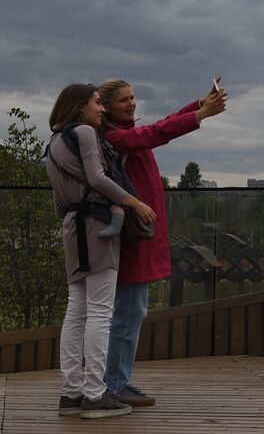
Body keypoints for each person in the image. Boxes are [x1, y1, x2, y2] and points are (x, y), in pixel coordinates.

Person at [97, 78, 227, 406]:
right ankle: (113, 384)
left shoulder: (123, 134)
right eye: (124, 100)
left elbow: (159, 125)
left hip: (139, 236)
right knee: (128, 312)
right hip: (133, 239)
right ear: (107, 106)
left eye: (133, 97)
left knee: (131, 310)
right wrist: (199, 116)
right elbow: (155, 133)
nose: (132, 103)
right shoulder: (114, 138)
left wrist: (198, 105)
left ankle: (116, 381)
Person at [43, 83, 156, 419]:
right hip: (96, 228)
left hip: (72, 227)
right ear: (79, 107)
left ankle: (71, 393)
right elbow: (96, 177)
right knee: (101, 313)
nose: (102, 109)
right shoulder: (86, 134)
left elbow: (59, 202)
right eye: (96, 103)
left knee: (75, 311)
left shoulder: (54, 142)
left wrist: (75, 216)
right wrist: (134, 203)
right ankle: (96, 396)